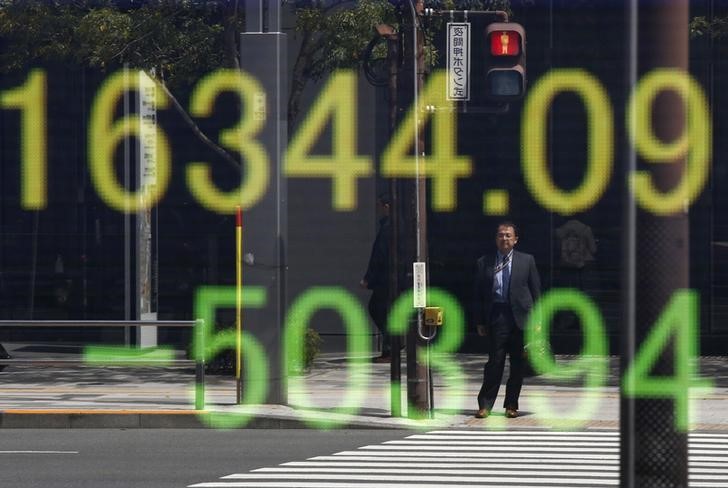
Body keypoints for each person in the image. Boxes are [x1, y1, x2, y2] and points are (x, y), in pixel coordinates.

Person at [473, 222, 541, 419]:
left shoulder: (527, 261)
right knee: (495, 362)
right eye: (501, 235)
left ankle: (511, 404)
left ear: (515, 239)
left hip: (521, 319)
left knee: (518, 365)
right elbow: (478, 294)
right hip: (497, 316)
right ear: (496, 239)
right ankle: (485, 405)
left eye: (508, 235)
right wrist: (479, 321)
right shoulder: (484, 262)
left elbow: (536, 291)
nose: (505, 239)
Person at [360, 194, 392, 363]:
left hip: (386, 280)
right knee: (384, 311)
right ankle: (392, 345)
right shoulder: (390, 226)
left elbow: (379, 256)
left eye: (380, 205)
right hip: (390, 279)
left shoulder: (388, 228)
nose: (378, 209)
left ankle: (391, 347)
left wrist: (368, 278)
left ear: (387, 206)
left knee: (378, 309)